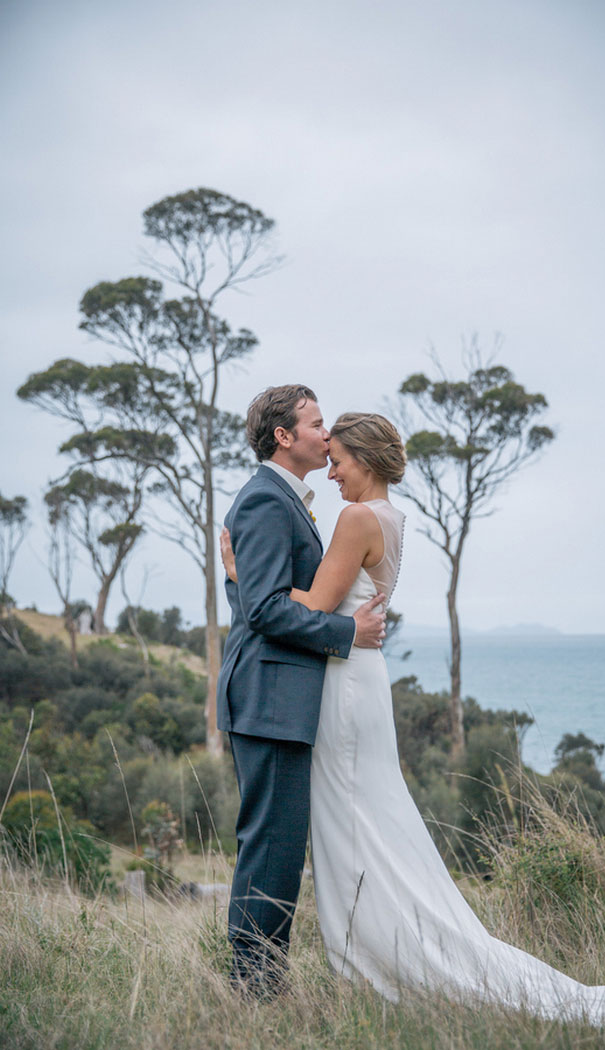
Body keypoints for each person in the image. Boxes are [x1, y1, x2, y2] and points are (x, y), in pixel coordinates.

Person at [221, 409, 605, 1028]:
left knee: (353, 826)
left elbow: (302, 603)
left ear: (363, 461)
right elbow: (306, 605)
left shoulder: (355, 517)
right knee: (362, 826)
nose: (333, 468)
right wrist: (312, 612)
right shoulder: (388, 518)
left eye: (339, 457)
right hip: (356, 678)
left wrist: (244, 581)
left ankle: (382, 960)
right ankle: (369, 957)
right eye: (322, 439)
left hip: (344, 686)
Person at [216, 386, 387, 996]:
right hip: (268, 701)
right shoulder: (265, 500)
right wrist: (349, 630)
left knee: (276, 846)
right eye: (316, 424)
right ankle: (255, 987)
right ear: (284, 436)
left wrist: (240, 586)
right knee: (272, 848)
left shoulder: (284, 501)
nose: (325, 433)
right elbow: (265, 610)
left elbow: (253, 600)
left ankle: (256, 980)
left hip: (277, 700)